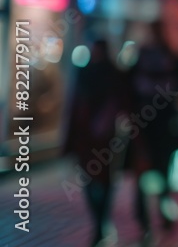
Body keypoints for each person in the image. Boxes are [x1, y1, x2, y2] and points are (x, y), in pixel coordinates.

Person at [63, 39, 130, 246]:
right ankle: (100, 222)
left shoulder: (98, 74)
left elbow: (76, 106)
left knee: (97, 178)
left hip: (98, 138)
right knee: (99, 179)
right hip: (97, 138)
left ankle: (100, 222)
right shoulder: (104, 73)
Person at [123, 20, 178, 237]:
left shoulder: (170, 57)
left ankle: (158, 215)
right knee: (145, 172)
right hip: (148, 127)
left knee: (160, 173)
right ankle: (147, 219)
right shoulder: (148, 57)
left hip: (160, 127)